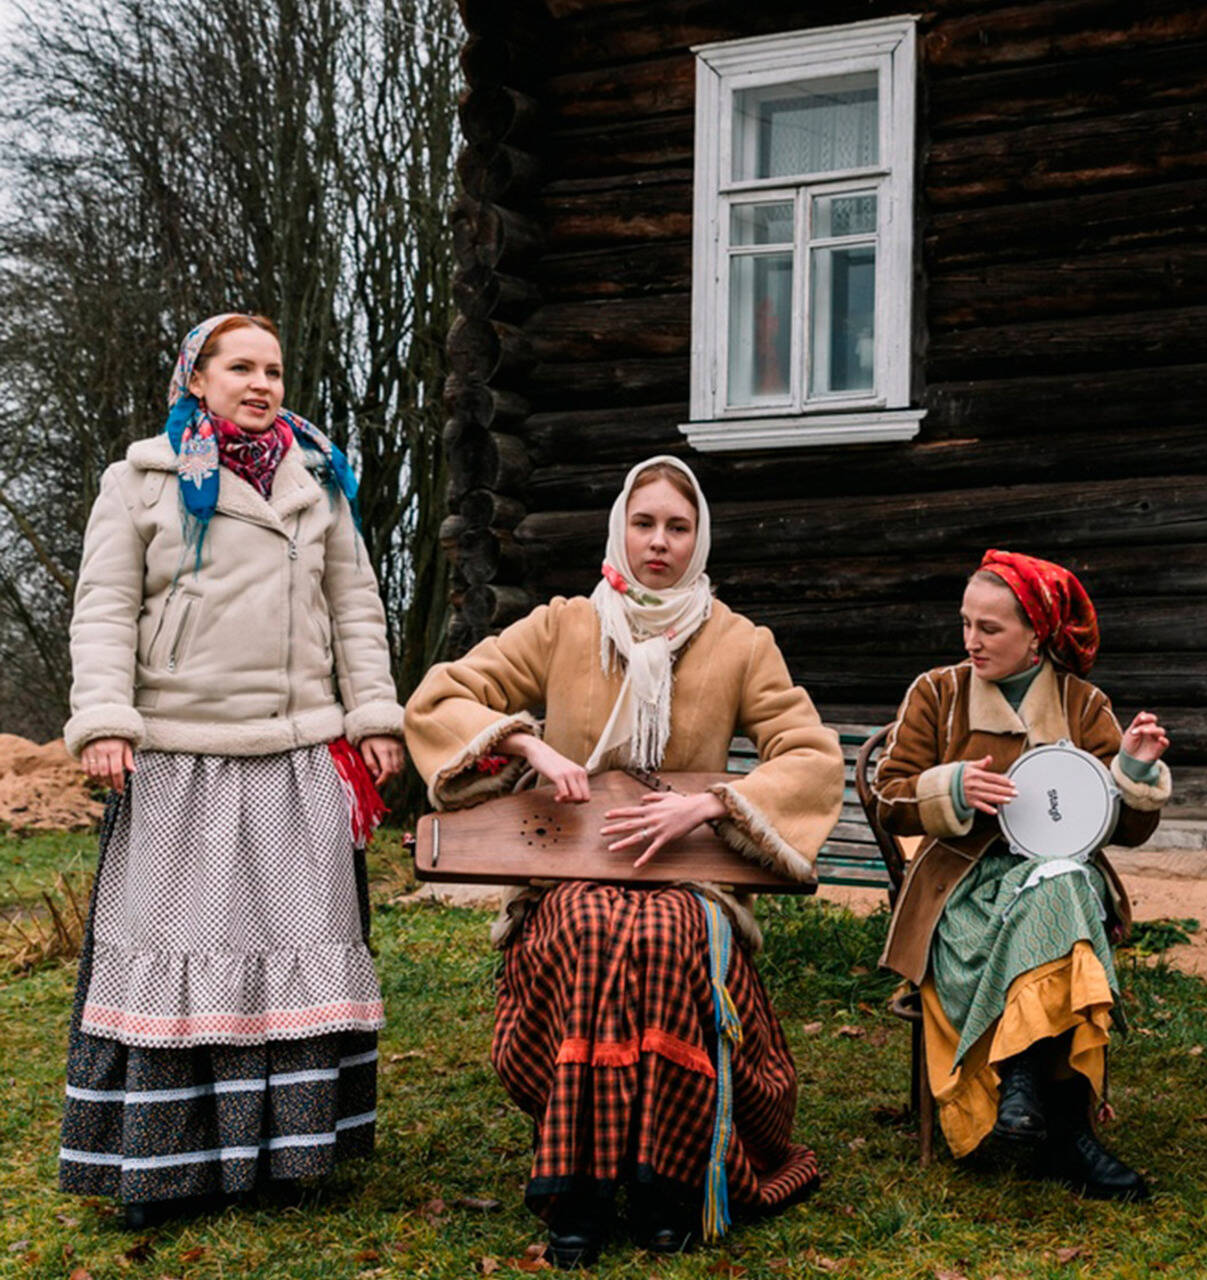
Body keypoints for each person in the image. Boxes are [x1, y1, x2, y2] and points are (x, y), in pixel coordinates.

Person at [404, 456, 844, 1267]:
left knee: (662, 938)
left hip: (689, 878)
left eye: (678, 528)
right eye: (645, 524)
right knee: (590, 926)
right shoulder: (565, 625)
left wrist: (712, 805)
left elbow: (812, 756)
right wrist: (526, 738)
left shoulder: (741, 643)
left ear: (698, 538)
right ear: (620, 528)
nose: (660, 542)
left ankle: (663, 1181)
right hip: (567, 875)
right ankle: (577, 1185)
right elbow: (438, 698)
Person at [59, 313, 405, 1226]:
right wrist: (103, 718)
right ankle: (165, 1168)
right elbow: (102, 611)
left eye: (275, 371)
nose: (261, 384)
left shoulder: (320, 484)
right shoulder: (141, 483)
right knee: (180, 958)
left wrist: (374, 715)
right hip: (181, 758)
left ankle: (286, 1159)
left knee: (292, 954)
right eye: (240, 367)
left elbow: (358, 611)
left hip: (296, 757)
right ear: (197, 379)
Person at [872, 550, 1171, 1200]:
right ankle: (1066, 1130)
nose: (972, 641)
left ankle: (1025, 1094)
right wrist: (949, 787)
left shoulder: (1080, 701)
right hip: (964, 887)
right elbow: (885, 795)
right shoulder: (938, 693)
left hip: (1060, 886)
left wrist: (1136, 772)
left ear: (1035, 633)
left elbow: (1126, 829)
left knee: (1062, 884)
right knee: (1062, 902)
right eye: (967, 625)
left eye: (991, 628)